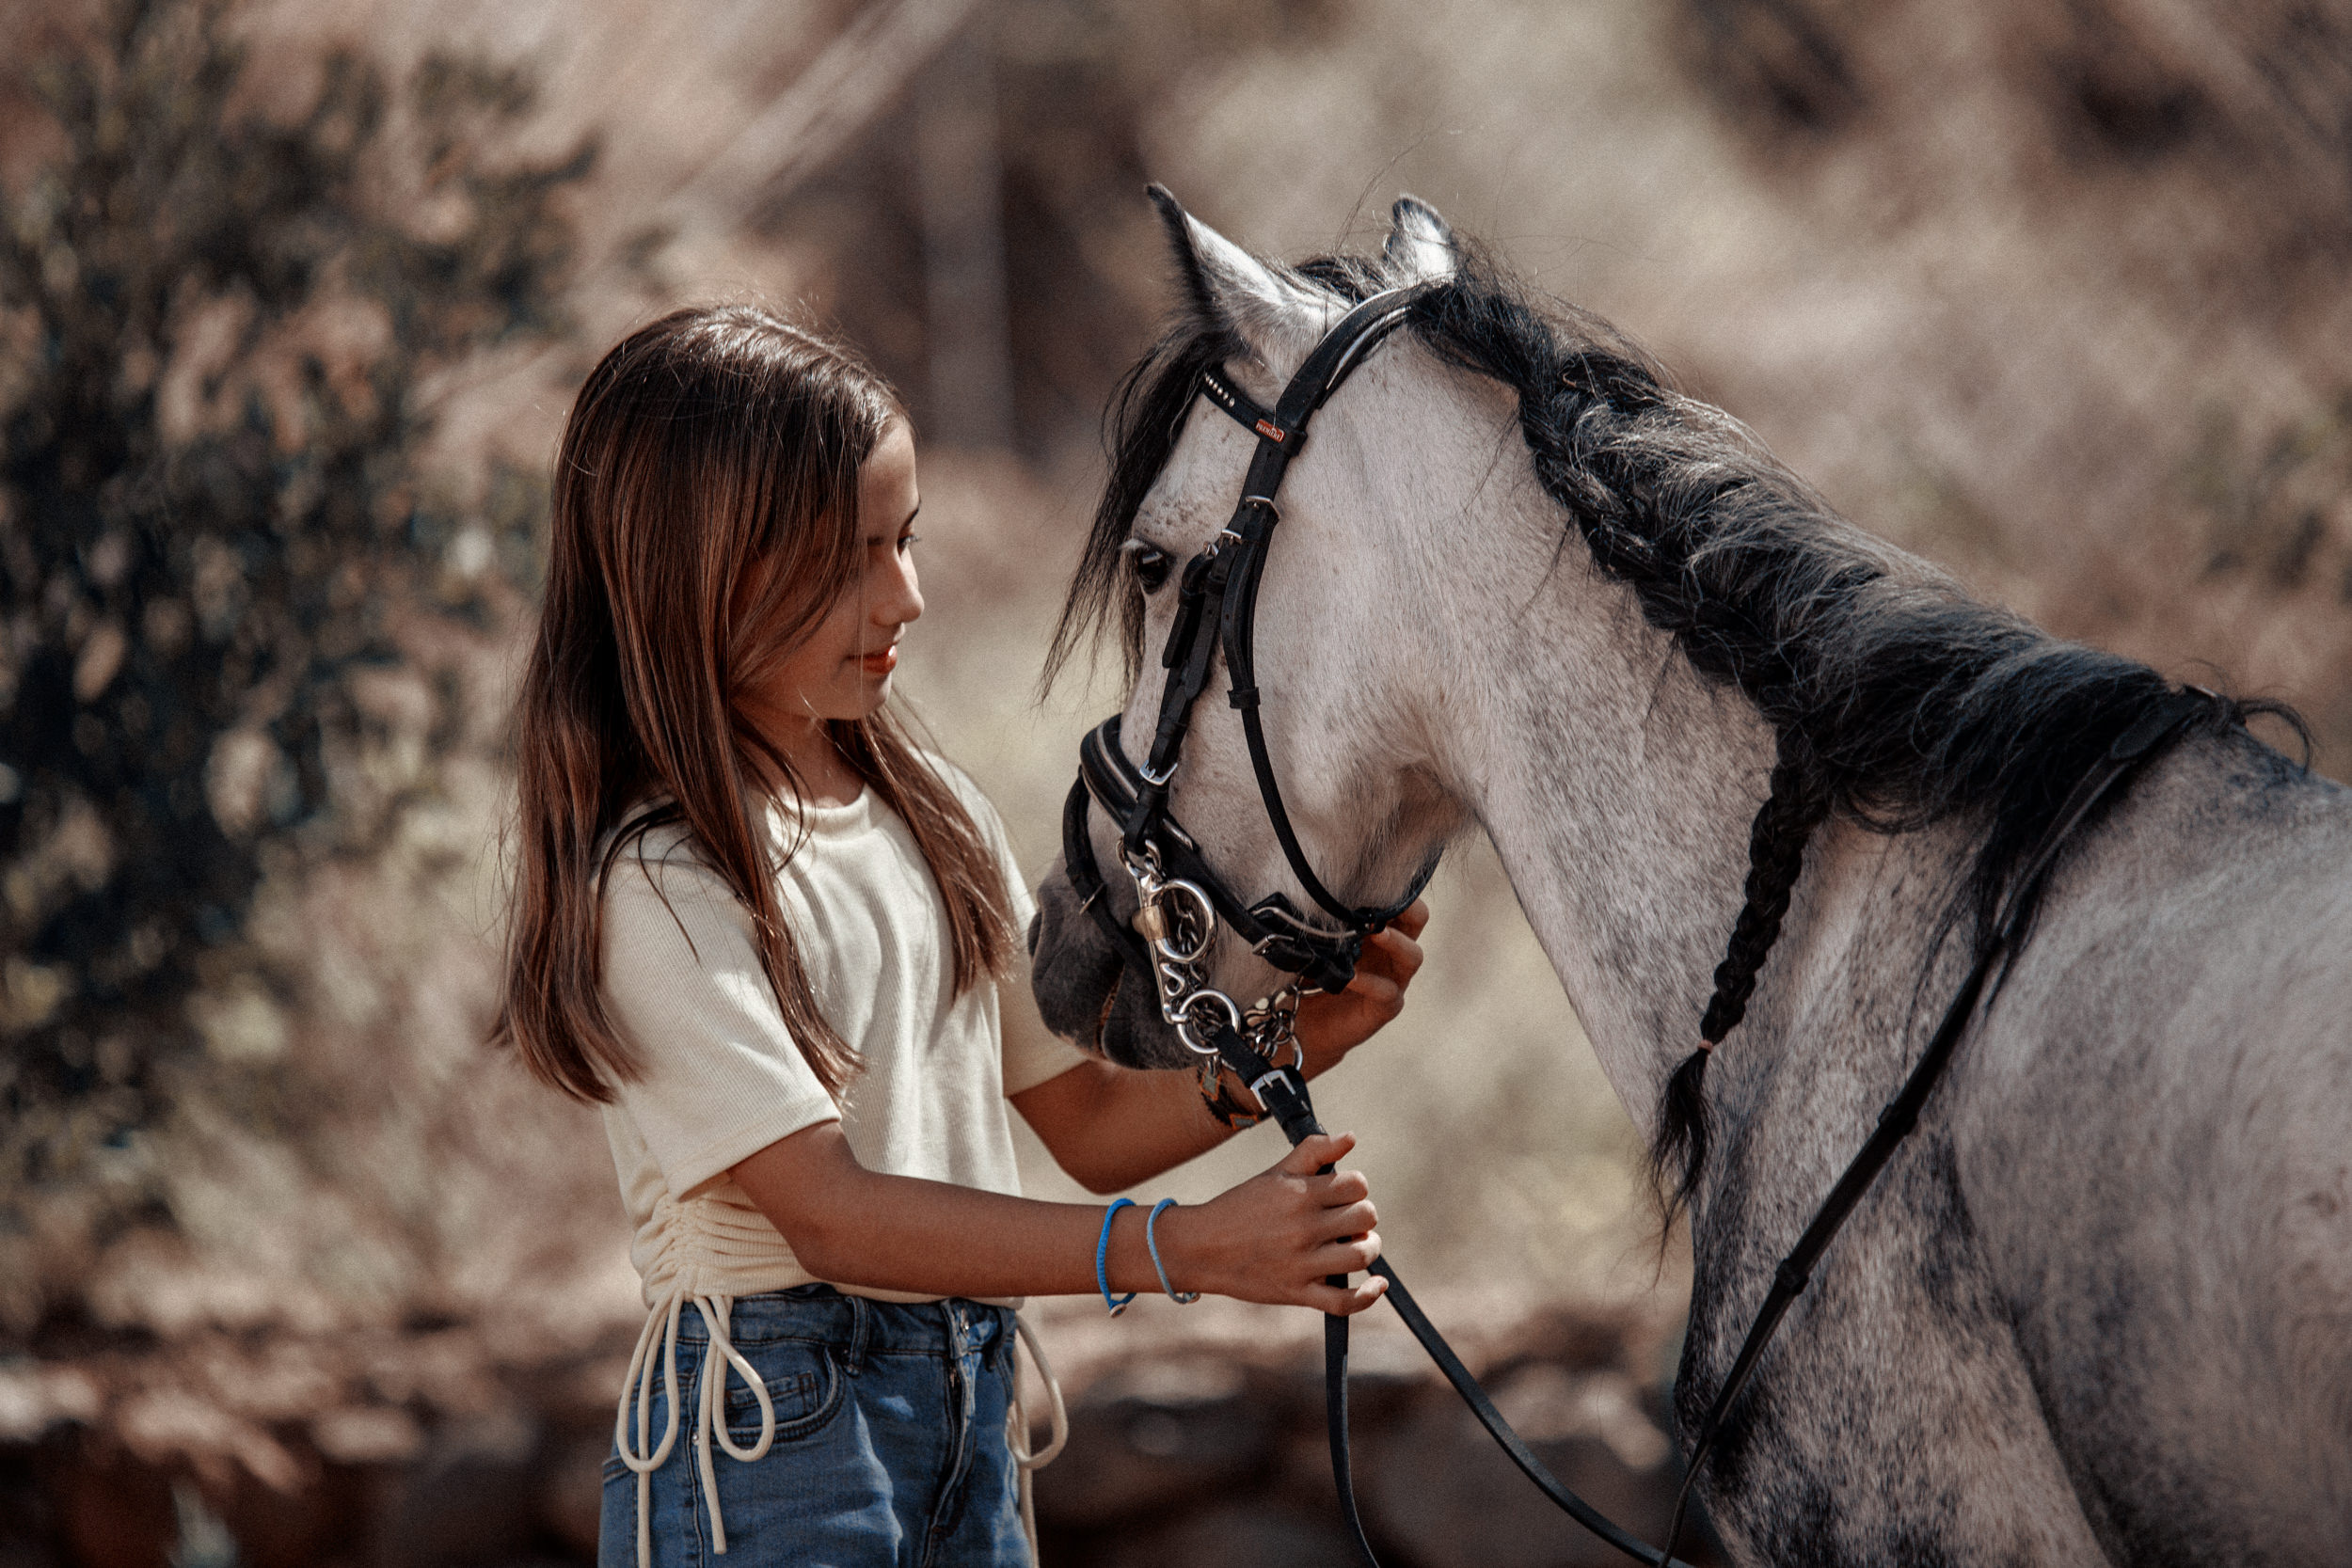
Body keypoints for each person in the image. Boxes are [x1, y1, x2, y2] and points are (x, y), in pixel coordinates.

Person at [493, 305, 1427, 1568]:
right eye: (849, 557)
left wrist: (1299, 1040)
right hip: (770, 1438)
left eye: (905, 540)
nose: (909, 595)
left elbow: (1086, 1128)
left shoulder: (926, 818)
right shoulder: (660, 880)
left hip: (968, 1409)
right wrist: (1187, 1251)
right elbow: (832, 1218)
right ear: (691, 571)